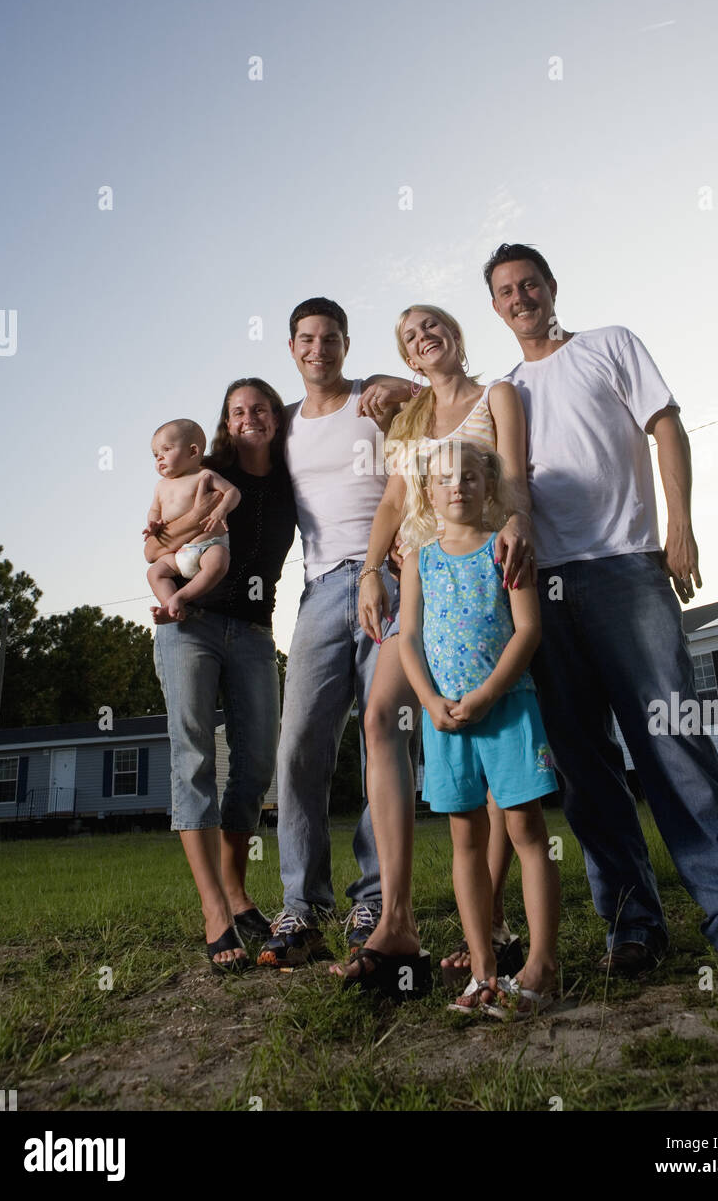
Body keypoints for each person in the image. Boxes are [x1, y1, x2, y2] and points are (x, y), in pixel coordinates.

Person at [485, 242, 718, 985]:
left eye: (530, 284)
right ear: (495, 308)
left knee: (675, 744)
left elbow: (666, 427)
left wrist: (678, 525)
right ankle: (632, 926)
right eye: (505, 291)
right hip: (544, 589)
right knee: (586, 769)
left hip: (626, 566)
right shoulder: (505, 392)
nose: (520, 297)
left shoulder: (609, 345)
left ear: (552, 288)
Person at [331, 305, 534, 990]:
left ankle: (498, 921)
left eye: (432, 324)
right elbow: (393, 503)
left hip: (485, 575)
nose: (423, 336)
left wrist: (518, 535)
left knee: (494, 727)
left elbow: (516, 482)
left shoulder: (497, 394)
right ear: (409, 358)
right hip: (420, 579)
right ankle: (396, 921)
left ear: (455, 335)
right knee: (380, 715)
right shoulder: (410, 419)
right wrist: (368, 572)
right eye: (410, 335)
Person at [257, 297, 414, 970]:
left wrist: (401, 386)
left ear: (345, 345)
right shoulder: (283, 426)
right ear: (292, 349)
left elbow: (443, 403)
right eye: (306, 339)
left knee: (386, 735)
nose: (317, 349)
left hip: (390, 577)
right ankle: (303, 905)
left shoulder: (373, 401)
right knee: (298, 744)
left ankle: (373, 899)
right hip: (321, 590)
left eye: (330, 339)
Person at [398, 441, 560, 1014]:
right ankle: (483, 972)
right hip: (445, 721)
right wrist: (429, 700)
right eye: (444, 479)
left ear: (488, 486)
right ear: (428, 491)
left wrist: (489, 693)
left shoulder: (506, 549)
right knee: (465, 839)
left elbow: (528, 630)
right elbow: (409, 640)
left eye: (470, 477)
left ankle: (541, 966)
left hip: (508, 708)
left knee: (526, 832)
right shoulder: (418, 559)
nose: (457, 487)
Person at [145, 379, 296, 973]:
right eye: (238, 411)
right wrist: (201, 522)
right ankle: (215, 911)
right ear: (225, 423)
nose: (250, 418)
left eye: (261, 408)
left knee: (257, 760)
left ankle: (238, 892)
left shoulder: (291, 476)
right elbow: (153, 546)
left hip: (256, 631)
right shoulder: (201, 470)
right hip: (192, 622)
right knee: (194, 758)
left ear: (277, 418)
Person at [145, 418, 241, 623]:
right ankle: (170, 606)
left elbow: (233, 492)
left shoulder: (204, 475)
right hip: (177, 553)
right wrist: (153, 524)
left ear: (193, 451)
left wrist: (221, 510)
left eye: (166, 450)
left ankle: (181, 597)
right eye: (155, 455)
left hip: (207, 546)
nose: (159, 458)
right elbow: (154, 510)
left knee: (218, 563)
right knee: (155, 573)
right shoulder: (161, 486)